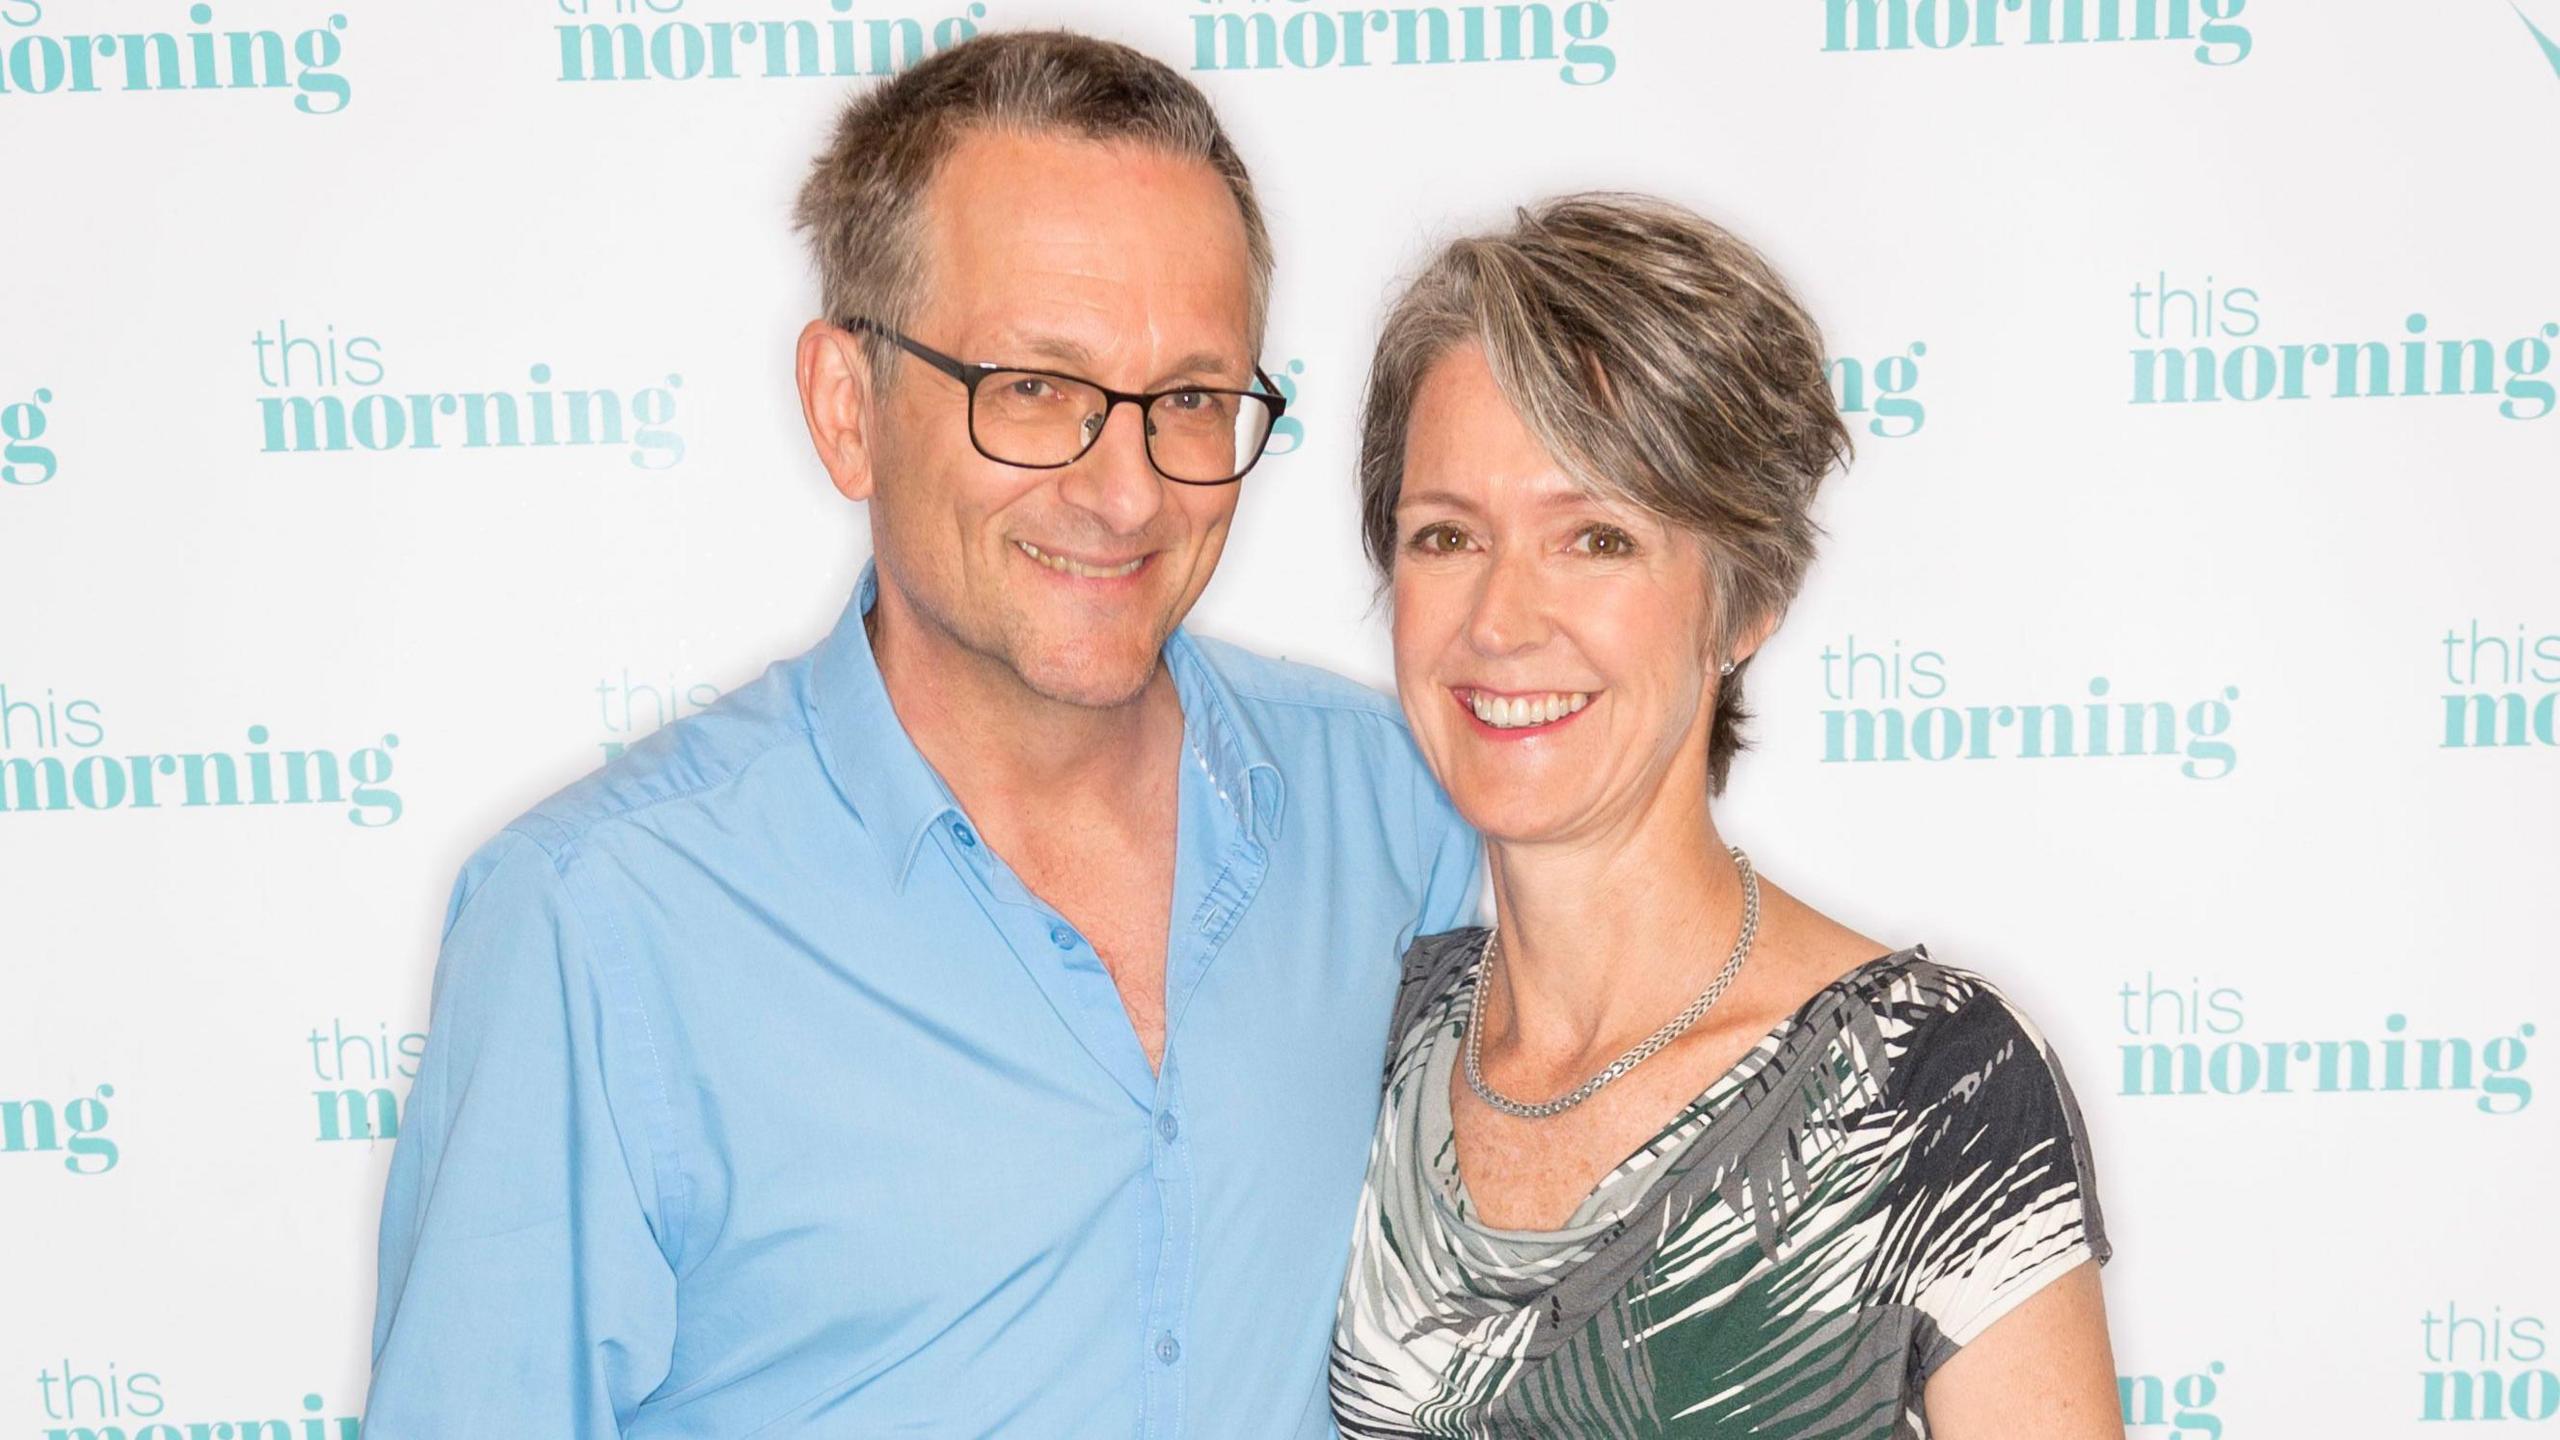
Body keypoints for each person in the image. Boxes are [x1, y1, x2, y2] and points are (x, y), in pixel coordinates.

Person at [366, 31, 1480, 1437]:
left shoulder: (1402, 811)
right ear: (848, 408)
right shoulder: (601, 927)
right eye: (1033, 389)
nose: (1124, 491)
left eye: (1190, 400)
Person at [1329, 194, 2118, 1438]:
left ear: (1744, 602)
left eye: (1594, 536)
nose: (1498, 620)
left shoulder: (1926, 1085)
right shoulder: (1370, 1047)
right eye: (1445, 537)